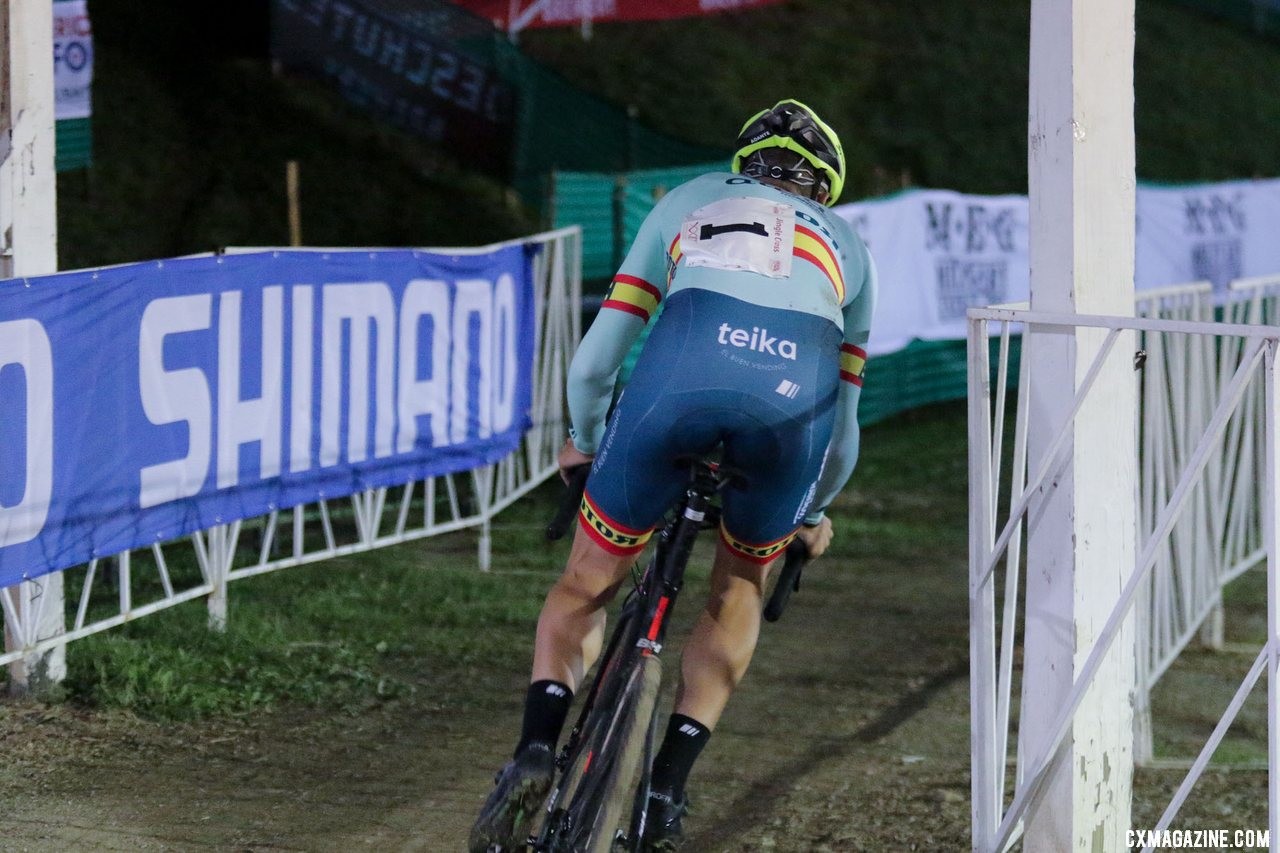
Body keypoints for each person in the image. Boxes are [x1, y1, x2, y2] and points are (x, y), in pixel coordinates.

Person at [470, 99, 876, 852]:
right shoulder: (851, 245)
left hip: (678, 382)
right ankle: (666, 788)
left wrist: (582, 441)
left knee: (586, 581)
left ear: (741, 165)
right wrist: (813, 513)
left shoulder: (691, 198)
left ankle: (534, 747)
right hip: (791, 414)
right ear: (826, 186)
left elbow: (597, 360)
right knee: (737, 590)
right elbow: (843, 435)